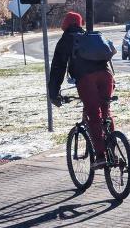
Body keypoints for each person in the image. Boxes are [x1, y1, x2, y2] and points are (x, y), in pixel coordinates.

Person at [48, 12, 116, 166]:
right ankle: (112, 147)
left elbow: (58, 68)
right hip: (107, 76)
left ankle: (100, 156)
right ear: (79, 23)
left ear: (65, 24)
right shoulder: (89, 36)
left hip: (87, 78)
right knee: (105, 111)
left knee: (93, 114)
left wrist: (54, 94)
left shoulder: (66, 40)